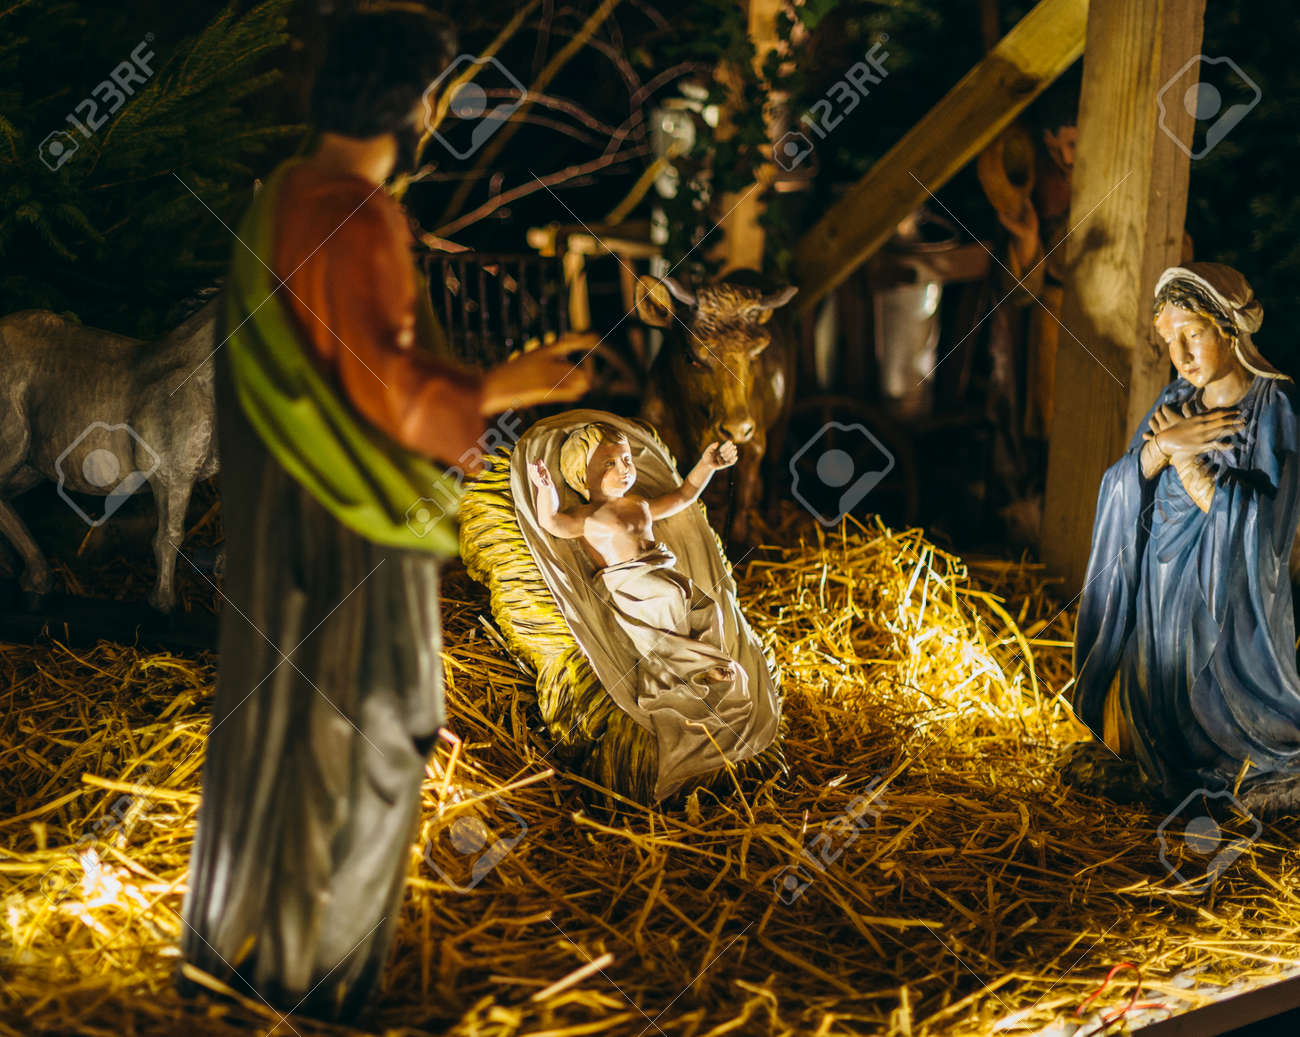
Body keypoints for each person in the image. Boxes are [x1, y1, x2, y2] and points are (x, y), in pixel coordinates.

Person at [179, 9, 591, 1022]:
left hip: (283, 521)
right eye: (438, 90)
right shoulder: (356, 215)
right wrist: (509, 383)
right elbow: (392, 391)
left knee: (281, 726)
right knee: (375, 728)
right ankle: (315, 975)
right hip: (355, 524)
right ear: (414, 101)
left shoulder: (278, 193)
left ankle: (239, 951)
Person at [1069, 262, 1300, 812]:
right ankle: (1155, 758)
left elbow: (1268, 531)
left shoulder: (1275, 407)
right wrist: (1159, 450)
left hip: (1226, 605)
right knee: (1157, 682)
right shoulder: (1175, 400)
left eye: (1192, 335)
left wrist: (1190, 464)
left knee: (1213, 700)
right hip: (1158, 588)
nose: (1181, 354)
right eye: (1169, 340)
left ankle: (1234, 762)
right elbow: (1123, 483)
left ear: (1229, 330)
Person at [529, 423, 745, 695]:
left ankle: (708, 658)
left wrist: (707, 465)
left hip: (660, 569)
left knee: (708, 608)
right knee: (671, 598)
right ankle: (695, 666)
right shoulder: (588, 516)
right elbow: (552, 522)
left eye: (627, 460)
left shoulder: (639, 504)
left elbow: (683, 496)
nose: (624, 469)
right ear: (582, 476)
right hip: (630, 583)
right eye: (610, 463)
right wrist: (545, 488)